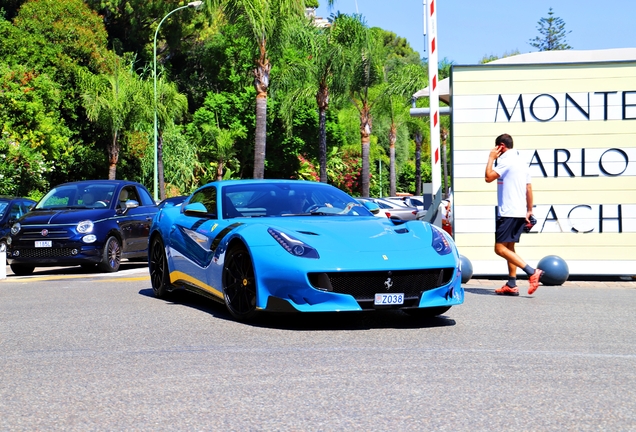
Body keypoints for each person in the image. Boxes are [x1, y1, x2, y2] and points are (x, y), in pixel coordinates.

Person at [485, 133, 543, 296]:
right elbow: (529, 188)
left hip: (508, 211)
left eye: (497, 148)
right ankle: (511, 284)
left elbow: (488, 177)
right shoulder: (521, 162)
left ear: (501, 146)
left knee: (499, 248)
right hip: (519, 211)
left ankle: (532, 272)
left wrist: (491, 158)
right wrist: (529, 210)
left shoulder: (505, 160)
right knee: (510, 247)